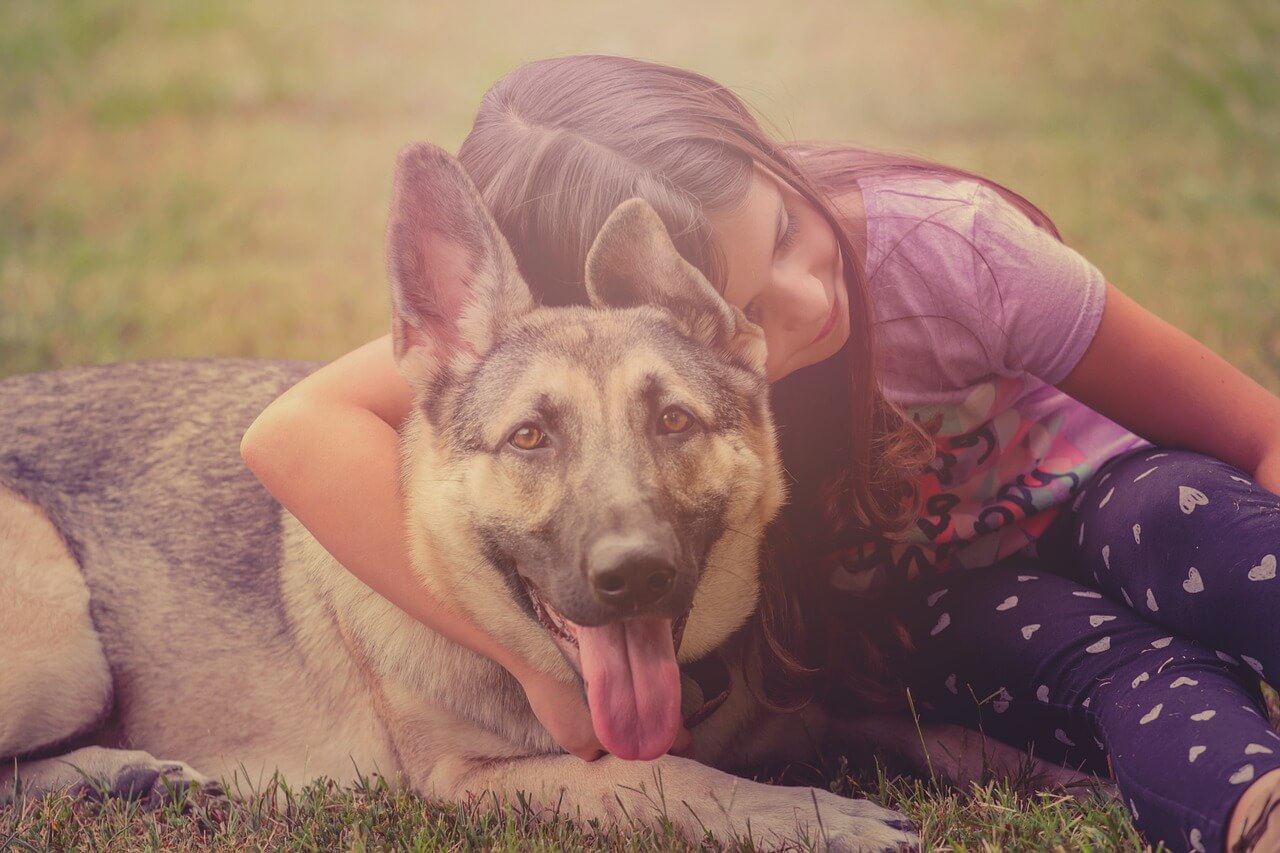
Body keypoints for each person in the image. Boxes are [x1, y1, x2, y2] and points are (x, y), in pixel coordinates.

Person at [239, 54, 1280, 851]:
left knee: (1193, 525)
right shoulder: (550, 354)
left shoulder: (947, 248)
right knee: (1117, 668)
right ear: (623, 303)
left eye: (784, 228)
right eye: (736, 302)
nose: (805, 299)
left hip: (1117, 497)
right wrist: (532, 663)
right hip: (957, 600)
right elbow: (292, 430)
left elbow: (1255, 431)